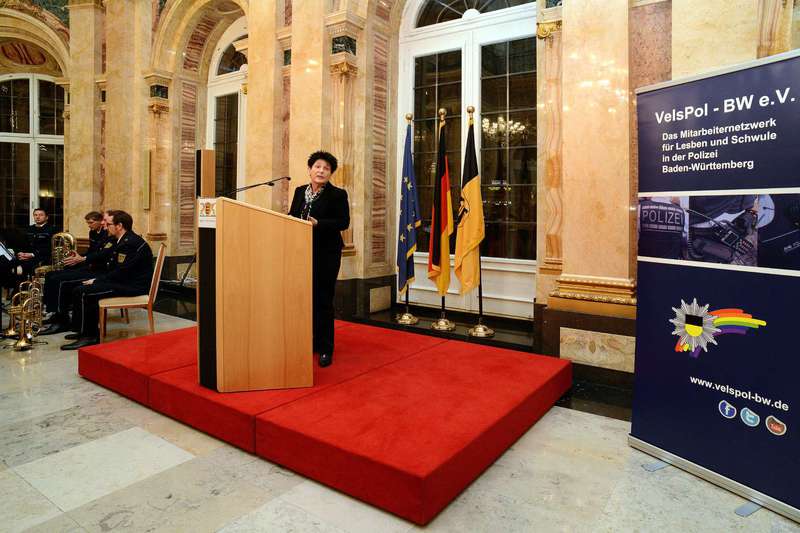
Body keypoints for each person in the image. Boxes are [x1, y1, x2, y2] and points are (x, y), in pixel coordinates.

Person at [288, 151, 350, 367]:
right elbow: (292, 215)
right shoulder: (299, 192)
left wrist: (319, 224)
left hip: (326, 254)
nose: (321, 171)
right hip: (301, 252)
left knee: (323, 300)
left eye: (326, 168)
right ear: (310, 169)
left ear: (331, 173)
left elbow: (343, 222)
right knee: (305, 299)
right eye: (317, 167)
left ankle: (325, 348)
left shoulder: (337, 195)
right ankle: (310, 341)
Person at [60, 210, 154, 350]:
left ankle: (90, 336)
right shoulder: (123, 239)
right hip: (125, 281)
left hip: (132, 286)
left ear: (119, 226)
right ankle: (83, 331)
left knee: (83, 292)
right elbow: (116, 269)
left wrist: (97, 280)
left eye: (109, 224)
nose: (105, 226)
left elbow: (122, 271)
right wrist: (98, 278)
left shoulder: (130, 243)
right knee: (80, 289)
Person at [39, 210, 115, 335]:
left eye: (106, 221)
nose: (89, 225)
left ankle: (62, 321)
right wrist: (78, 256)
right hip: (91, 265)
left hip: (98, 270)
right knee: (51, 275)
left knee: (60, 280)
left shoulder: (110, 235)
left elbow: (102, 254)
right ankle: (55, 312)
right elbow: (92, 251)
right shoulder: (94, 232)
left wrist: (83, 259)